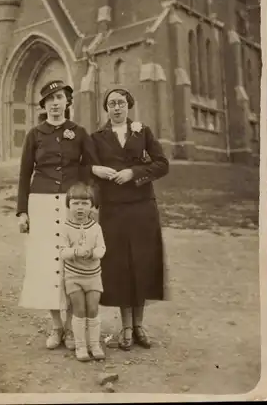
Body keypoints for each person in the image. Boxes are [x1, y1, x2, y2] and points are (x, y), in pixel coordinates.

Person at [16, 79, 99, 351]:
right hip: (40, 202)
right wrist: (22, 211)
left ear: (67, 102)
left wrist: (88, 200)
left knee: (73, 266)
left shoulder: (79, 132)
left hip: (70, 204)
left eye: (59, 98)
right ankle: (56, 327)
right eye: (49, 99)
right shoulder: (34, 135)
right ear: (44, 105)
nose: (54, 103)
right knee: (46, 267)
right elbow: (24, 173)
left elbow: (89, 166)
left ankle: (73, 328)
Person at [91, 85, 169, 351]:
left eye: (121, 103)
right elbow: (88, 169)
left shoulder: (142, 131)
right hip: (114, 210)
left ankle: (139, 325)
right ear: (106, 108)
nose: (116, 107)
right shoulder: (97, 137)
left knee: (142, 263)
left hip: (142, 207)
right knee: (120, 266)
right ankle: (125, 327)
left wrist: (134, 173)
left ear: (128, 106)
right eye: (111, 103)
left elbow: (161, 164)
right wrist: (97, 171)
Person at [59, 182, 106, 362]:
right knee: (79, 309)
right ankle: (80, 346)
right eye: (75, 203)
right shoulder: (65, 227)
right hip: (74, 276)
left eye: (85, 203)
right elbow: (62, 251)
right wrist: (75, 252)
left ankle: (94, 344)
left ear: (92, 206)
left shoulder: (96, 227)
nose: (80, 208)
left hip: (93, 275)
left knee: (93, 309)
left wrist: (95, 254)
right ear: (69, 205)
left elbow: (102, 247)